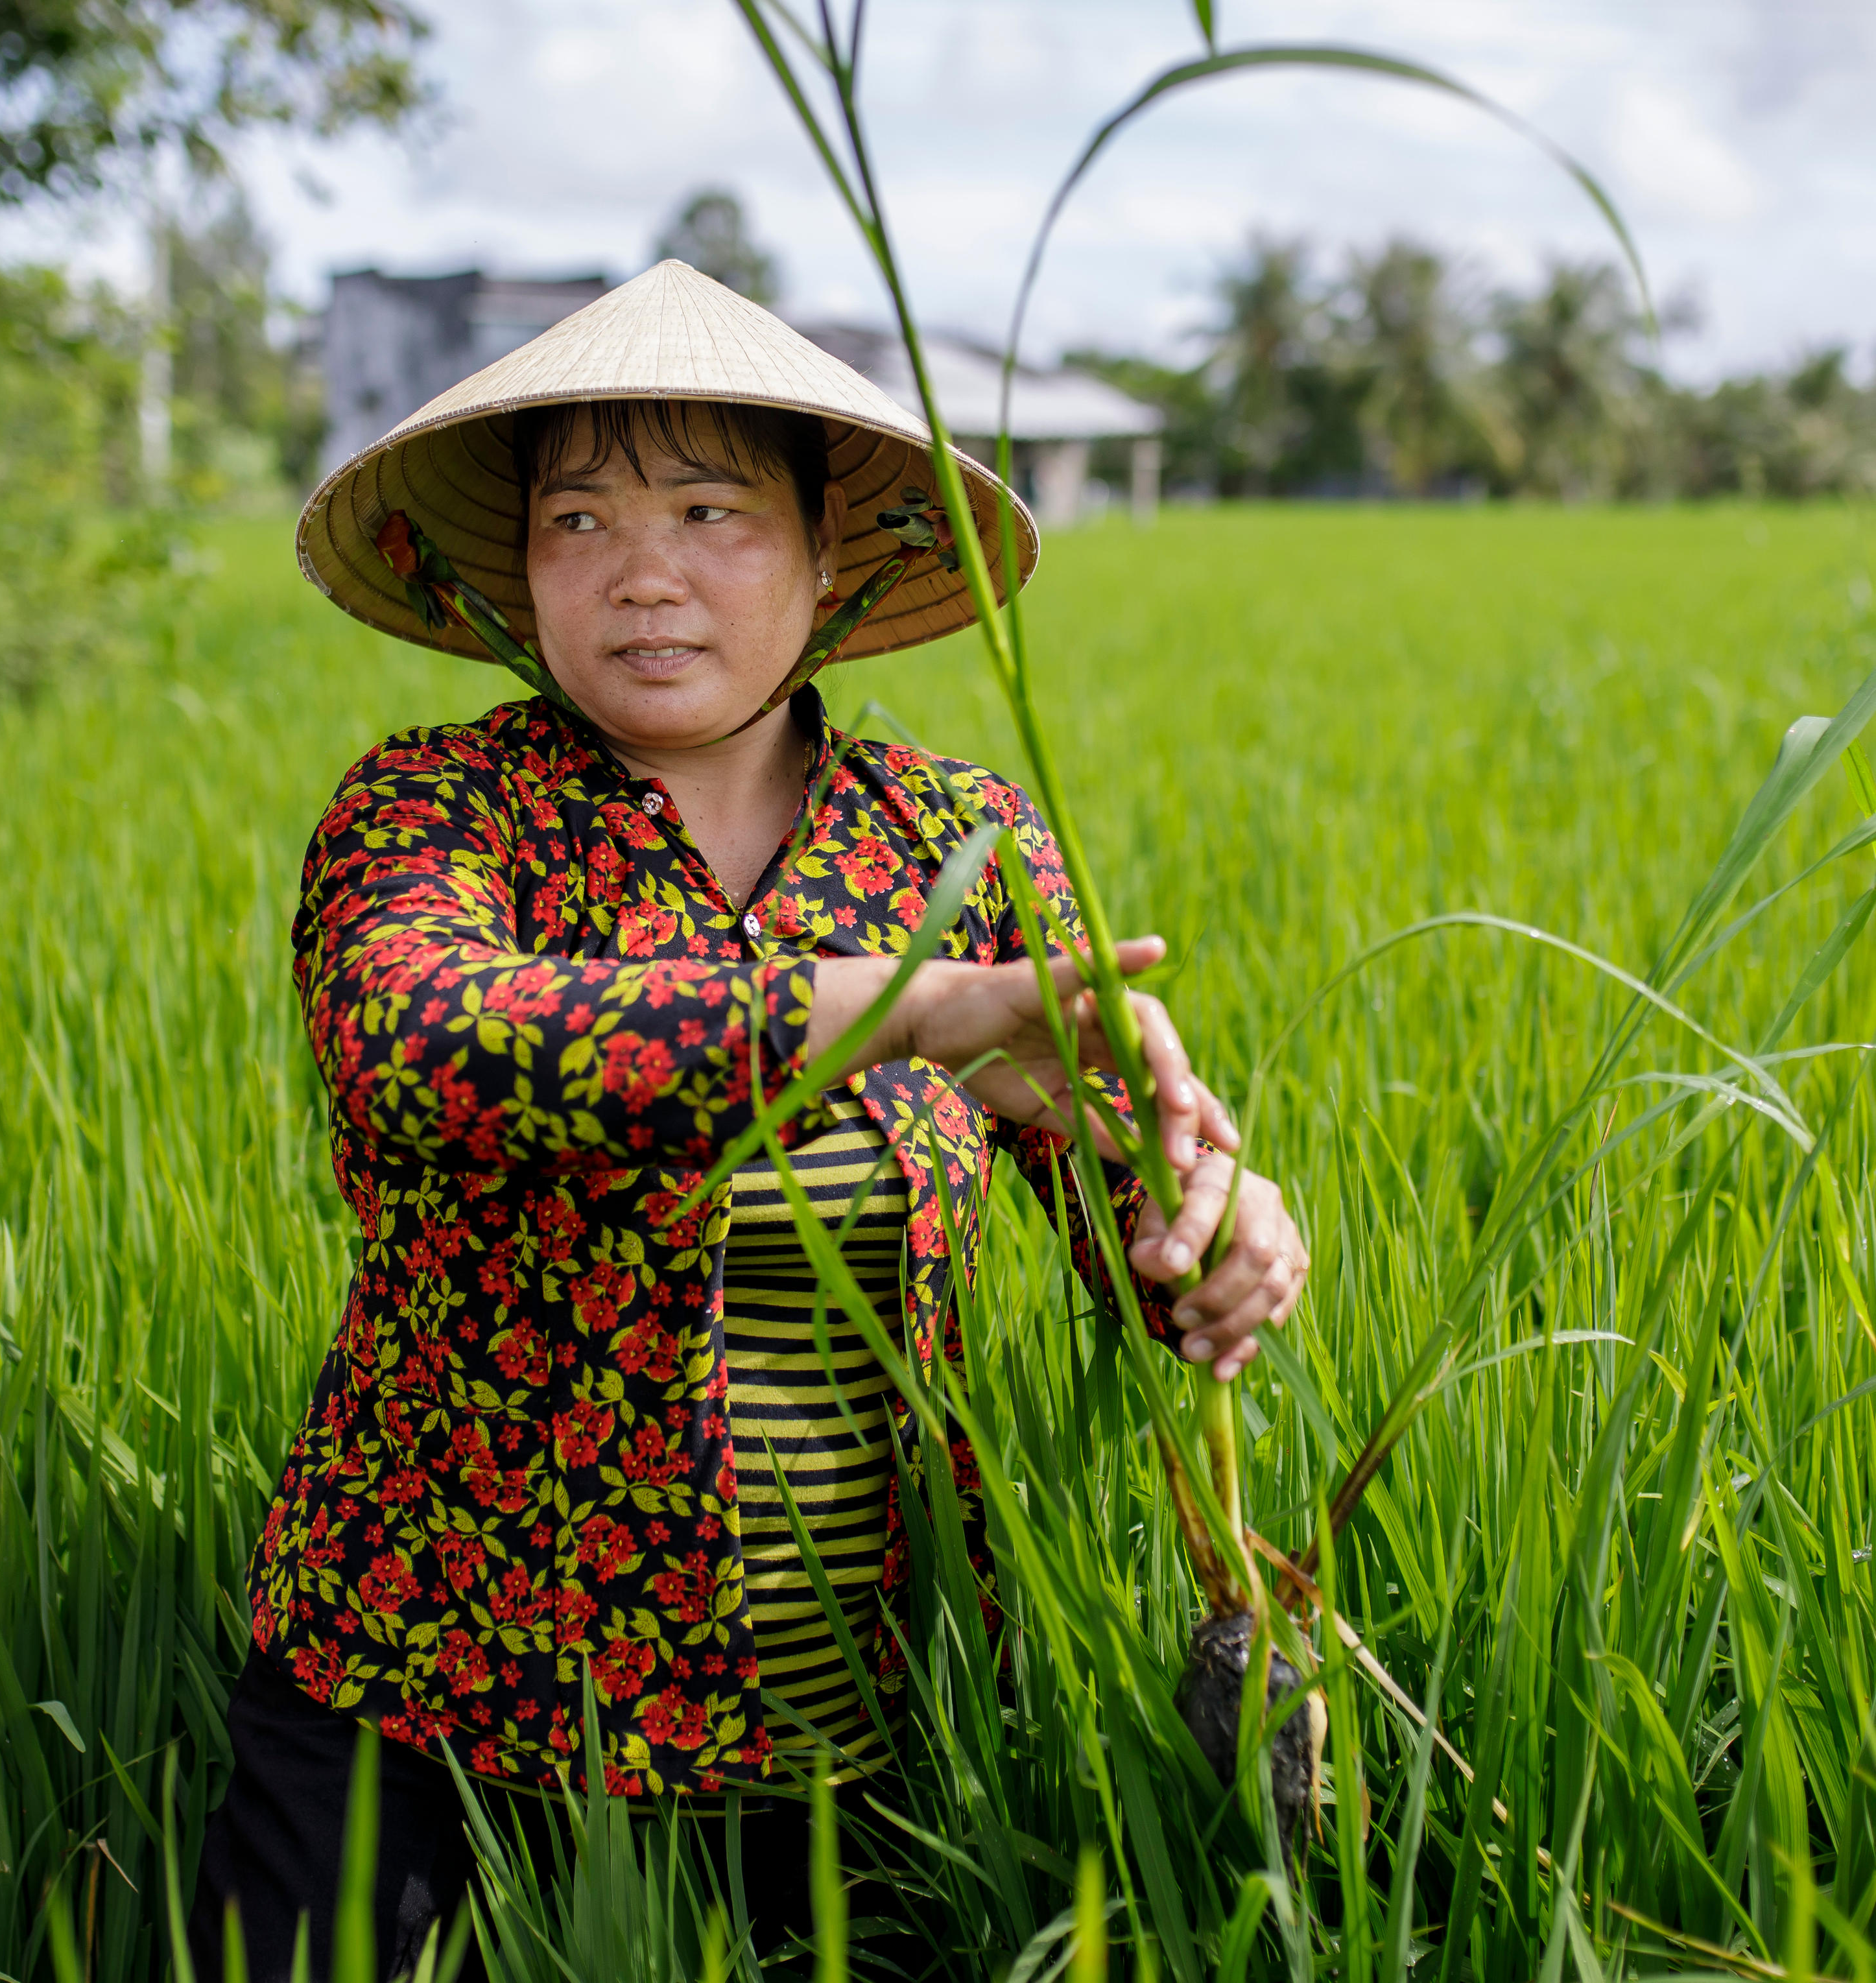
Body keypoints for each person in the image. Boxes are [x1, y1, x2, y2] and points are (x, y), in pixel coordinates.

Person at [189, 261, 1310, 1979]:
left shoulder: (960, 840)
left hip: (826, 1721)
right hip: (429, 1677)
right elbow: (419, 1039)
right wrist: (896, 1009)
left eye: (710, 509)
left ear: (828, 551)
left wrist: (1201, 1228)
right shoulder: (441, 805)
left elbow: (1100, 1188)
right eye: (578, 519)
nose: (640, 574)